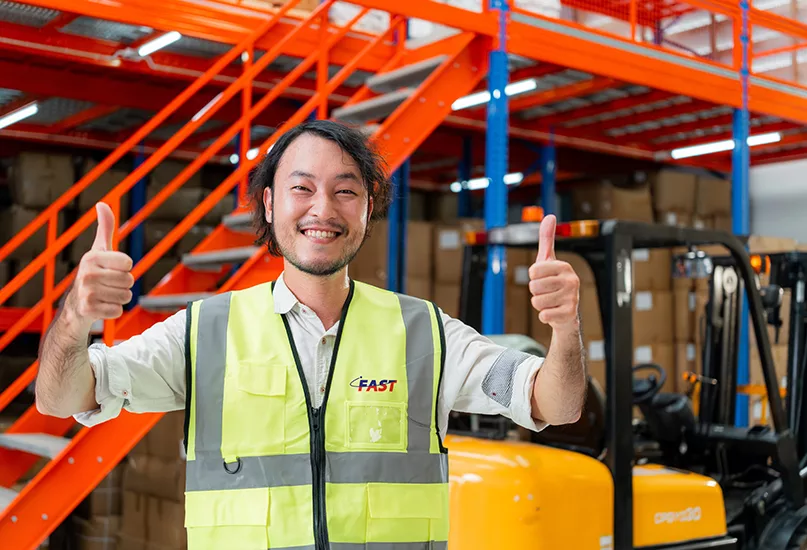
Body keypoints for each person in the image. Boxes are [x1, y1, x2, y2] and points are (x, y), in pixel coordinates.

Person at [36, 120, 585, 549]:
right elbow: (59, 397)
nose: (323, 209)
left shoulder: (427, 334)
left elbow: (555, 404)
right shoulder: (204, 332)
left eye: (345, 191)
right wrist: (75, 319)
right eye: (302, 188)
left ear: (369, 207)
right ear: (270, 203)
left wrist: (565, 329)